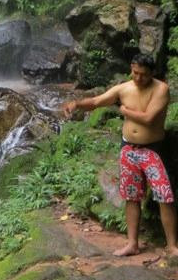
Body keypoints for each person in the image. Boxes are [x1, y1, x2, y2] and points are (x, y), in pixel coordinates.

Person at [63, 53, 178, 258]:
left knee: (164, 195)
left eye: (143, 74)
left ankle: (172, 246)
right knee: (131, 197)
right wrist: (77, 104)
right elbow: (98, 101)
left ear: (151, 73)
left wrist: (125, 110)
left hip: (152, 149)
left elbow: (149, 119)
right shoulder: (123, 88)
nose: (138, 78)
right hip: (128, 149)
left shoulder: (161, 89)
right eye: (135, 73)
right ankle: (132, 243)